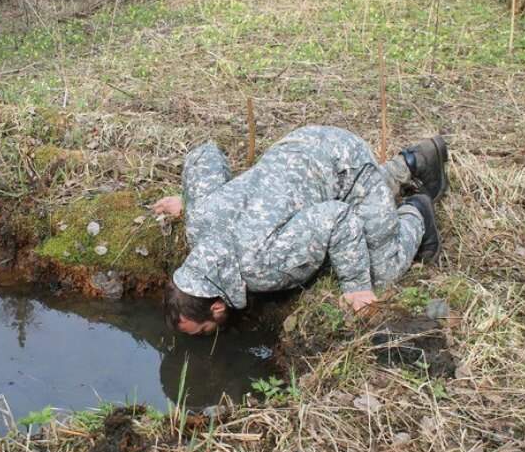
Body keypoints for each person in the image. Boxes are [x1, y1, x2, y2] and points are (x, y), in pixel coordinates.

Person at [153, 125, 448, 336]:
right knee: (344, 203)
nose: (206, 336)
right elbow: (204, 155)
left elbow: (338, 218)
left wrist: (356, 287)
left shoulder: (260, 266)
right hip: (298, 147)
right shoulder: (198, 223)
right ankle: (408, 163)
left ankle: (417, 211)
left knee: (382, 272)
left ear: (217, 308)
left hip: (345, 162)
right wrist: (190, 201)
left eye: (203, 332)